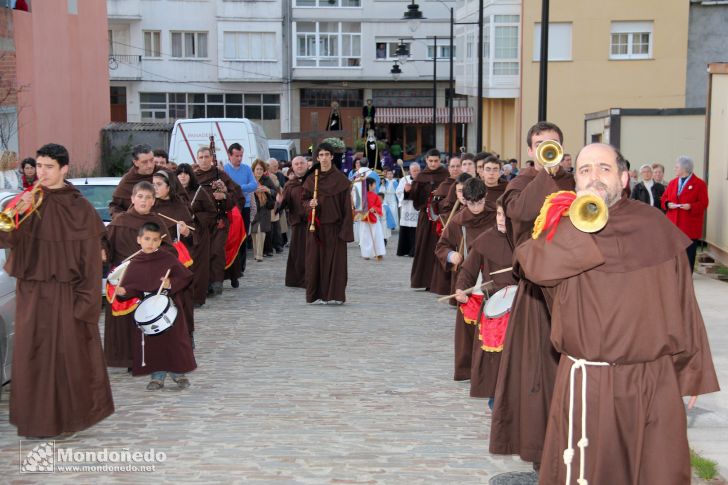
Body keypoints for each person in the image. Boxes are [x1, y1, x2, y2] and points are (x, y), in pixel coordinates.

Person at [516, 143, 719, 485]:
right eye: (584, 170)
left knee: (656, 472)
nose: (594, 177)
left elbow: (684, 301)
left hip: (653, 381)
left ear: (624, 178)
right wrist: (575, 224)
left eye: (604, 169)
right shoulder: (563, 225)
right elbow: (532, 266)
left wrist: (692, 368)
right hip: (588, 381)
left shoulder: (653, 223)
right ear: (575, 181)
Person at [1, 143, 114, 437]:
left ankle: (69, 420)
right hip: (31, 293)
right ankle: (37, 421)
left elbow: (91, 262)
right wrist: (15, 217)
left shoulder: (81, 208)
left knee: (69, 357)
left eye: (49, 167)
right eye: (39, 166)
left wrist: (87, 302)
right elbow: (3, 238)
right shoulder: (26, 201)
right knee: (32, 355)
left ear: (64, 169)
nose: (42, 172)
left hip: (68, 294)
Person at [490, 121, 575, 468]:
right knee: (540, 368)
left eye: (552, 143)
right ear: (529, 151)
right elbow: (520, 213)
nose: (546, 148)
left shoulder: (576, 181)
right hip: (537, 292)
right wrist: (547, 175)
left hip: (573, 287)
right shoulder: (521, 183)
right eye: (540, 144)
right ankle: (541, 446)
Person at [114, 222, 196, 391]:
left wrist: (170, 283)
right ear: (139, 240)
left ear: (160, 241)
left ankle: (177, 373)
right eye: (147, 239)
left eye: (155, 240)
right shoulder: (134, 263)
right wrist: (123, 291)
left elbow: (186, 277)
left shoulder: (168, 258)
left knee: (175, 342)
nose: (150, 243)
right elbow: (133, 288)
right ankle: (157, 376)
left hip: (169, 305)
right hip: (147, 308)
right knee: (152, 344)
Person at [103, 181, 171, 369]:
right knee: (124, 323)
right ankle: (126, 358)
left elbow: (169, 251)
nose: (143, 200)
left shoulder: (157, 223)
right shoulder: (119, 222)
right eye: (140, 196)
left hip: (149, 279)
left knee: (147, 318)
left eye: (148, 197)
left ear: (153, 201)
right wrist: (102, 250)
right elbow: (107, 247)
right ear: (132, 199)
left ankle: (148, 357)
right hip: (124, 278)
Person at [435, 177, 496, 382]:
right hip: (468, 279)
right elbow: (441, 247)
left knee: (493, 323)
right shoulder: (458, 221)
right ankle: (467, 369)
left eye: (479, 202)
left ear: (485, 198)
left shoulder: (496, 216)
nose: (476, 207)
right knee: (468, 327)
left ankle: (490, 367)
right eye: (471, 203)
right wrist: (453, 256)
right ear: (464, 201)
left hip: (492, 276)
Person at [455, 199, 515, 402]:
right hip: (495, 306)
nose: (501, 220)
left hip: (519, 306)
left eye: (505, 216)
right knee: (493, 356)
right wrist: (461, 288)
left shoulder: (525, 240)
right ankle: (494, 398)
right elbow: (468, 269)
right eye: (498, 214)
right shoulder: (485, 240)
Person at [303, 142, 354, 304]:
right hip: (316, 227)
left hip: (335, 228)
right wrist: (309, 203)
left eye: (327, 155)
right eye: (321, 155)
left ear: (332, 157)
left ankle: (335, 294)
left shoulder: (341, 180)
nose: (324, 158)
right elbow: (302, 200)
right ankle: (316, 295)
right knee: (314, 262)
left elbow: (347, 208)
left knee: (336, 263)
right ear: (317, 158)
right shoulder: (312, 179)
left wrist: (345, 231)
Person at [152, 170, 197, 342]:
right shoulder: (149, 205)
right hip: (155, 260)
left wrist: (186, 232)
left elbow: (195, 234)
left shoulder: (180, 207)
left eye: (159, 184)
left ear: (169, 187)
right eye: (153, 184)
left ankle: (187, 333)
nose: (155, 188)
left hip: (178, 260)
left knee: (183, 299)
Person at [194, 146, 241, 296]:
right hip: (200, 223)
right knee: (203, 253)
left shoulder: (221, 175)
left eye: (206, 156)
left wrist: (225, 196)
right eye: (200, 157)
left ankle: (217, 281)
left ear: (211, 158)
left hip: (219, 220)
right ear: (197, 159)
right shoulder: (193, 177)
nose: (204, 160)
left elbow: (237, 193)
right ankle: (205, 282)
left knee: (216, 251)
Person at [662, 155, 709, 272]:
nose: (674, 169)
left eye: (677, 167)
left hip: (689, 226)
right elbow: (664, 199)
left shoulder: (699, 184)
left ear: (685, 168)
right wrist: (668, 204)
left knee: (688, 253)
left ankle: (686, 276)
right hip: (673, 224)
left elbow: (704, 203)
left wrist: (691, 206)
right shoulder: (672, 183)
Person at [410, 149, 448, 289]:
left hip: (441, 217)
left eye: (436, 161)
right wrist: (410, 190)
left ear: (440, 160)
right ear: (426, 160)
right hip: (426, 218)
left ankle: (438, 281)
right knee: (424, 246)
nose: (433, 163)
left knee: (439, 246)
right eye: (430, 161)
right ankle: (424, 280)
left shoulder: (445, 174)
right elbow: (415, 198)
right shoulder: (421, 176)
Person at [176, 163, 213, 308]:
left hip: (199, 235)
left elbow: (211, 212)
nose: (183, 176)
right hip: (181, 235)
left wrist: (195, 217)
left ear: (191, 175)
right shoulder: (173, 194)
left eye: (186, 173)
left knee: (198, 266)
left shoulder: (199, 191)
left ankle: (197, 297)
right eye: (180, 173)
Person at [224, 143, 258, 284]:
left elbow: (254, 185)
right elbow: (225, 187)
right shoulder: (224, 170)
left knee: (243, 238)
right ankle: (230, 268)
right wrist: (238, 189)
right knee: (230, 239)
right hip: (230, 208)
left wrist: (237, 188)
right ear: (230, 155)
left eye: (241, 155)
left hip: (245, 207)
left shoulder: (246, 169)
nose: (239, 158)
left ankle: (241, 268)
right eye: (236, 156)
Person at [109, 144, 166, 219]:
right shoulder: (127, 180)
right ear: (136, 162)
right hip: (136, 225)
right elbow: (115, 206)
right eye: (145, 162)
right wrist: (123, 218)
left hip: (165, 224)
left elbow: (181, 199)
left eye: (152, 160)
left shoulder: (165, 173)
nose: (150, 165)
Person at [276, 156, 308, 288]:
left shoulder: (314, 181)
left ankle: (313, 278)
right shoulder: (290, 185)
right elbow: (283, 204)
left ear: (306, 165)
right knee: (299, 253)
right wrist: (279, 202)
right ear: (292, 168)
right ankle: (297, 279)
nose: (299, 166)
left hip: (314, 223)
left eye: (302, 163)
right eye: (296, 164)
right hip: (298, 225)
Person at [250, 159, 277, 262]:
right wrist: (253, 190)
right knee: (254, 232)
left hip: (264, 209)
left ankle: (260, 255)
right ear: (253, 169)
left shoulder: (267, 180)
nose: (259, 171)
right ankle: (256, 253)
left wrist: (267, 190)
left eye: (261, 169)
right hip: (253, 208)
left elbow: (275, 192)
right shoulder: (250, 179)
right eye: (257, 169)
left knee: (261, 231)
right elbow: (244, 190)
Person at [396, 161, 420, 257]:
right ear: (410, 171)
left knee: (415, 230)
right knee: (406, 229)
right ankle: (403, 250)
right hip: (407, 208)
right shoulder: (403, 180)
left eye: (417, 170)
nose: (416, 172)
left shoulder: (422, 180)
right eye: (414, 170)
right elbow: (398, 192)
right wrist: (405, 191)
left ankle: (414, 251)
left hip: (416, 209)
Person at [359, 177, 386, 260]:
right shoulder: (362, 195)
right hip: (365, 219)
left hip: (373, 218)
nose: (375, 185)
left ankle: (378, 253)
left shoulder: (375, 196)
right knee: (365, 237)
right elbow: (358, 206)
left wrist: (374, 209)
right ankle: (366, 253)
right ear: (369, 185)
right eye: (374, 184)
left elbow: (378, 206)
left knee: (377, 236)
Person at [267, 158, 287, 253]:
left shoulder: (279, 175)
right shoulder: (266, 176)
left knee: (277, 225)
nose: (276, 167)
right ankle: (272, 245)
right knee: (271, 226)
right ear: (268, 166)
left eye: (277, 165)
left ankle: (279, 244)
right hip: (269, 203)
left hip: (278, 202)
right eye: (274, 166)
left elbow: (282, 187)